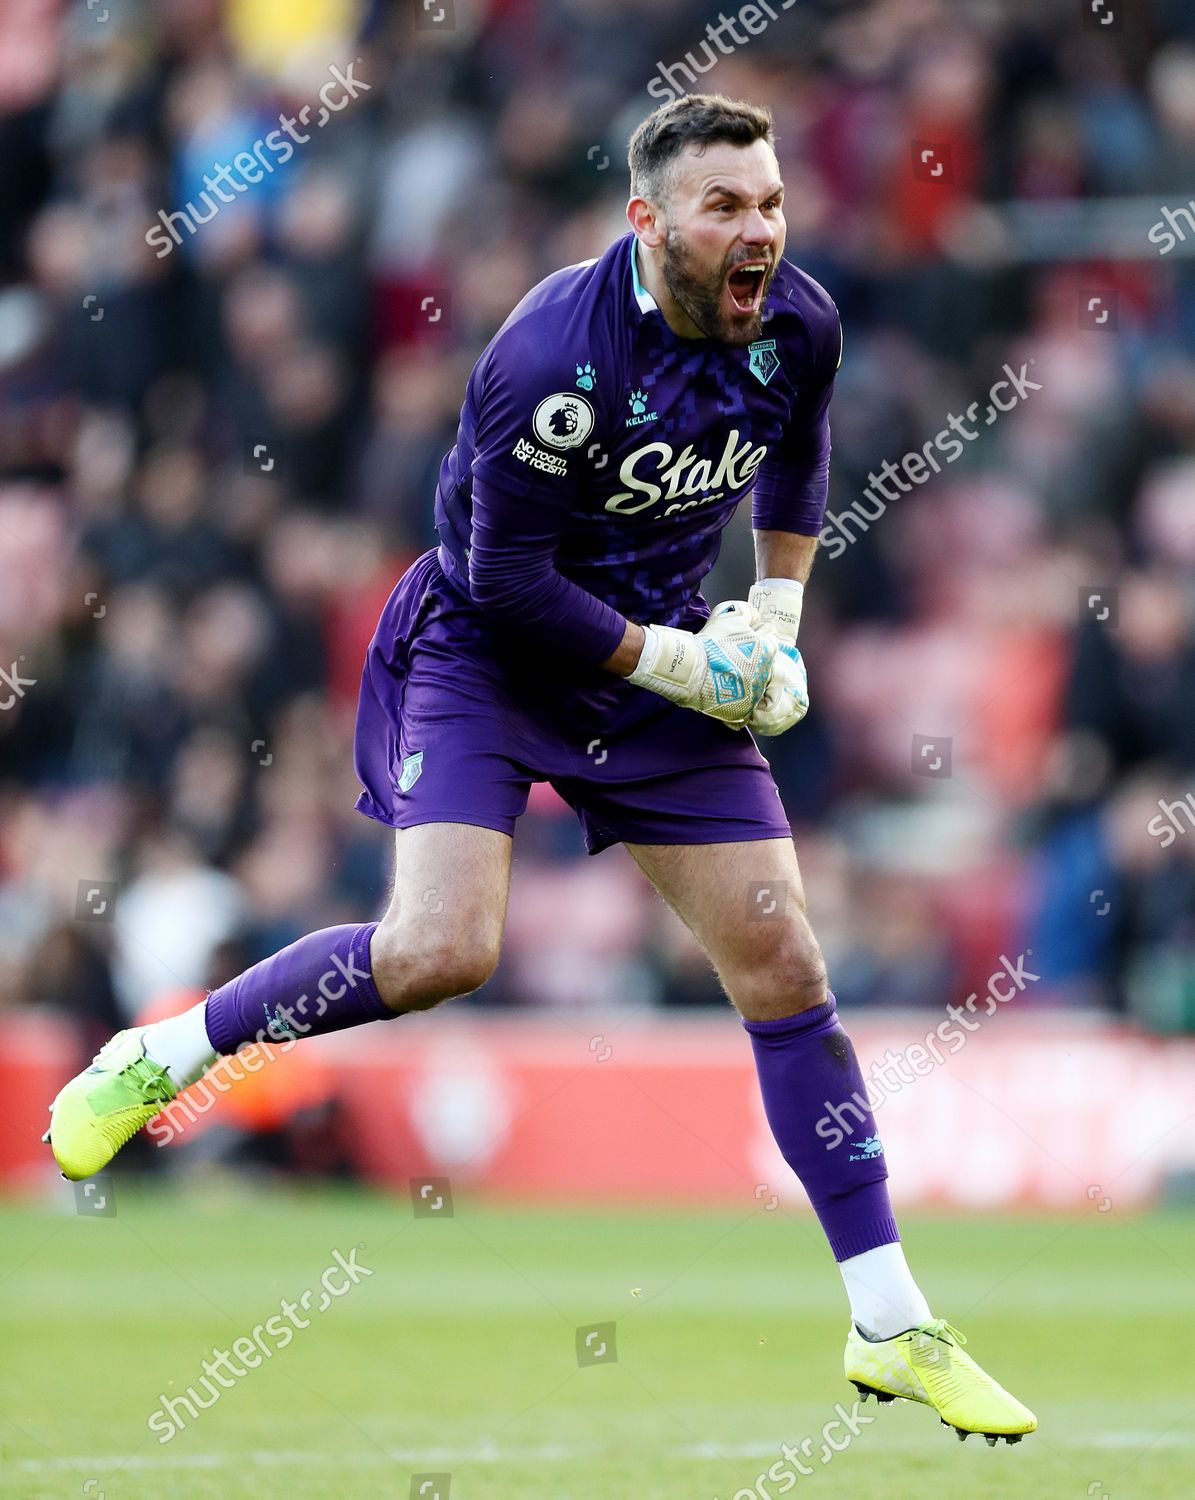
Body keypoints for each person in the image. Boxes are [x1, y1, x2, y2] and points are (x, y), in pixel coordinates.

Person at [47, 92, 1034, 1445]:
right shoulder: (547, 359)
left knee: (785, 958)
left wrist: (777, 613)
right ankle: (164, 1054)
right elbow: (503, 582)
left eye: (771, 204)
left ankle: (889, 1320)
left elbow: (796, 459)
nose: (760, 234)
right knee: (439, 951)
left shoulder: (798, 318)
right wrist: (690, 666)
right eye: (725, 210)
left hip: (656, 652)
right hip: (490, 653)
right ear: (649, 223)